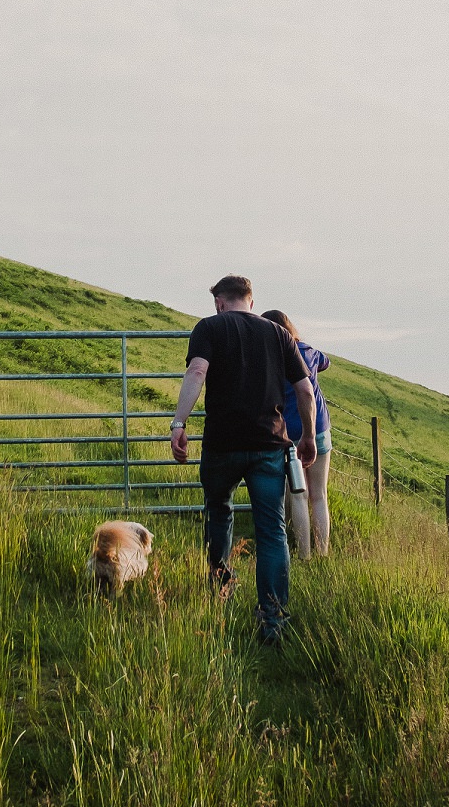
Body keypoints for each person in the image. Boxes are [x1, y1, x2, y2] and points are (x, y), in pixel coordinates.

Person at [170, 274, 316, 646]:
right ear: (251, 301)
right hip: (269, 445)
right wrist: (309, 438)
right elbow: (304, 389)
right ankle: (273, 619)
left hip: (222, 445)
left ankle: (221, 589)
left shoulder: (208, 327)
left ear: (220, 301)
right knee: (271, 530)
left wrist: (179, 423)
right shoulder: (279, 334)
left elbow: (197, 371)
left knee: (218, 509)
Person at [261, 309, 331, 558]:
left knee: (297, 495)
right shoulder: (308, 352)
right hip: (318, 426)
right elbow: (325, 363)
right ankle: (323, 553)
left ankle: (305, 554)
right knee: (319, 495)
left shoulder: (269, 358)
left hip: (288, 432)